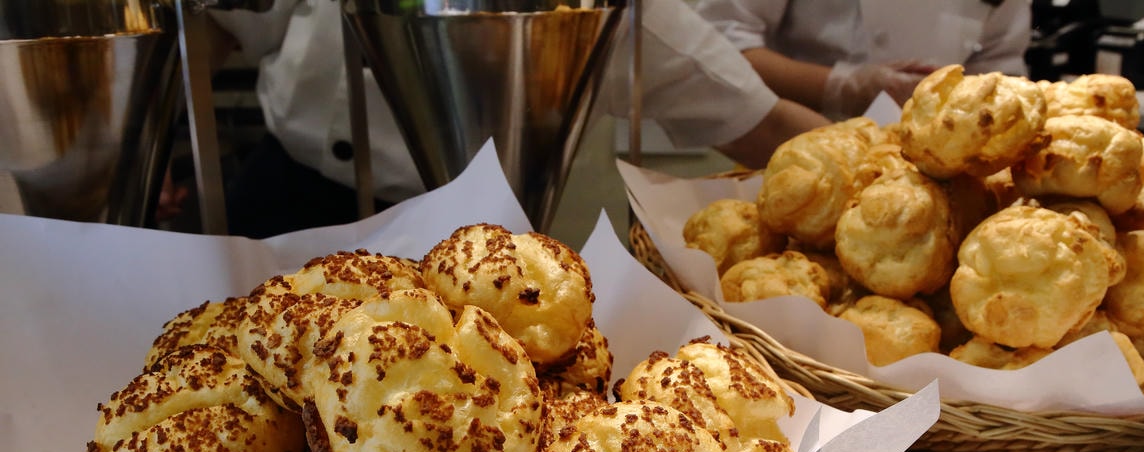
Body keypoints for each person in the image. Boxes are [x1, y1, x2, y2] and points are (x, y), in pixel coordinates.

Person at [201, 0, 830, 238]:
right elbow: (221, 28)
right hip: (286, 201)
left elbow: (765, 122)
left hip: (491, 233)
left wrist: (886, 165)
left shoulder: (630, 15)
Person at [693, 0, 1032, 121]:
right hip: (786, 150)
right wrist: (842, 87)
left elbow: (1002, 72)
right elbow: (719, 47)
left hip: (949, 174)